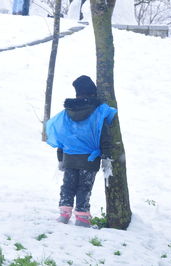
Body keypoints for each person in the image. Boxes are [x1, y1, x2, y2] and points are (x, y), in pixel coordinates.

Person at [46, 75, 117, 227]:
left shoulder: (67, 112)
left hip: (70, 156)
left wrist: (61, 158)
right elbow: (104, 136)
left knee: (68, 186)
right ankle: (82, 218)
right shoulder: (99, 111)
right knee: (84, 188)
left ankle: (64, 214)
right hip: (89, 159)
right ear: (93, 92)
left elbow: (62, 134)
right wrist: (106, 157)